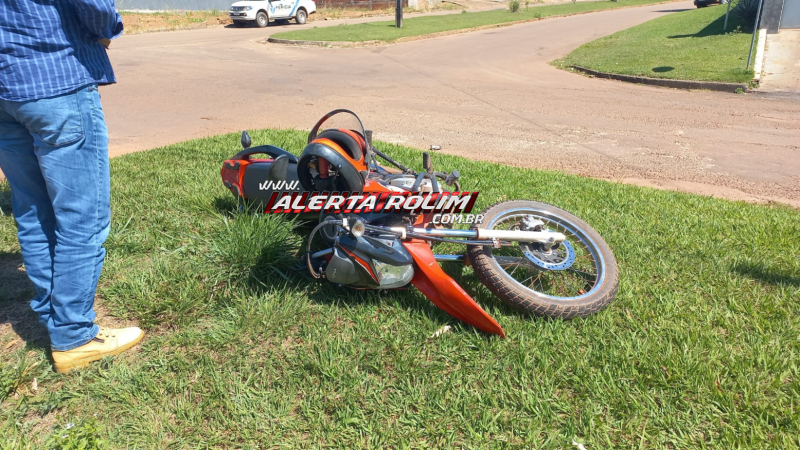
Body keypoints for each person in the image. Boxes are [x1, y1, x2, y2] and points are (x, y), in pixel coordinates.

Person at [0, 0, 144, 373]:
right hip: (54, 78)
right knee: (83, 217)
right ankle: (74, 335)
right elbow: (95, 8)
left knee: (32, 209)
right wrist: (107, 27)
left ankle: (54, 316)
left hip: (4, 89)